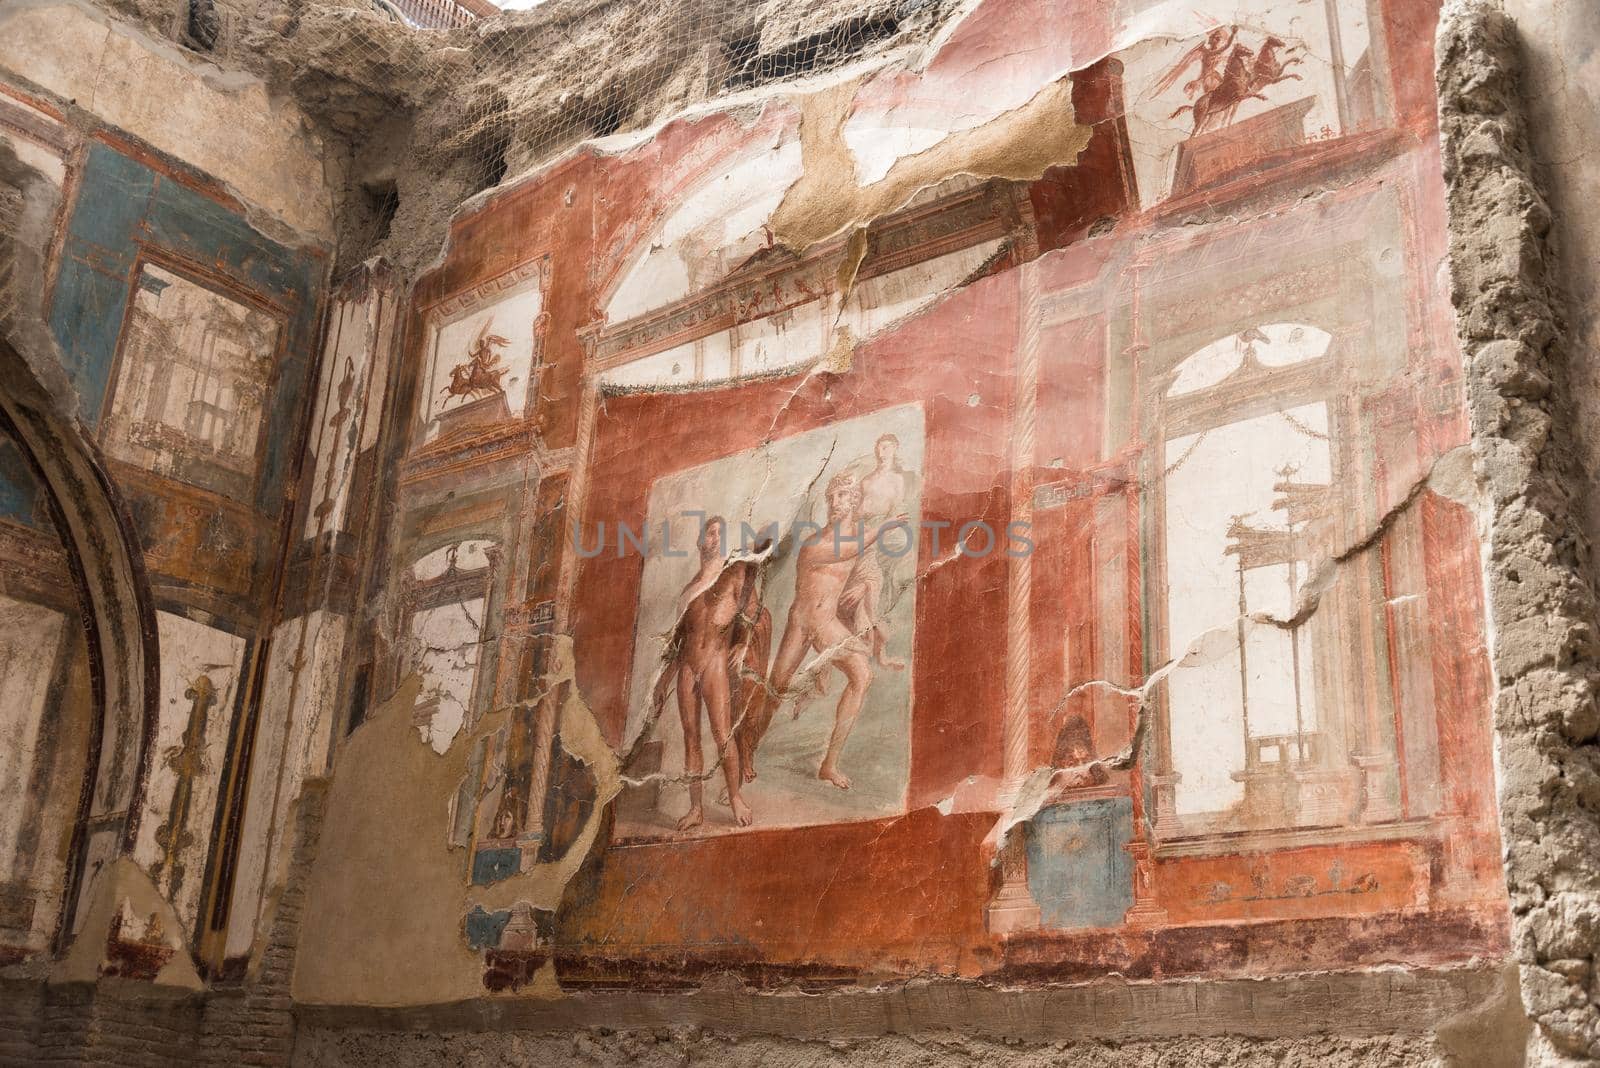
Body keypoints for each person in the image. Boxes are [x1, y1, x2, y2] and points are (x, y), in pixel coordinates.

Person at [767, 472, 903, 789]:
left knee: (862, 675)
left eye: (842, 496)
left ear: (855, 500)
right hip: (802, 621)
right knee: (775, 687)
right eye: (832, 497)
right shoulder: (815, 542)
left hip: (827, 621)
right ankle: (744, 755)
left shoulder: (862, 537)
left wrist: (861, 588)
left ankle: (829, 764)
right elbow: (843, 554)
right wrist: (883, 528)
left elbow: (868, 573)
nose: (835, 502)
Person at [652, 517, 770, 830]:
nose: (715, 539)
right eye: (710, 533)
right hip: (687, 669)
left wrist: (743, 643)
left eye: (720, 533)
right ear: (700, 542)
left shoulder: (734, 573)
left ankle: (734, 799)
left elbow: (754, 611)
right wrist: (662, 682)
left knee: (722, 736)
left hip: (716, 663)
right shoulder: (689, 590)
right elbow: (678, 643)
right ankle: (695, 809)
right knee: (692, 738)